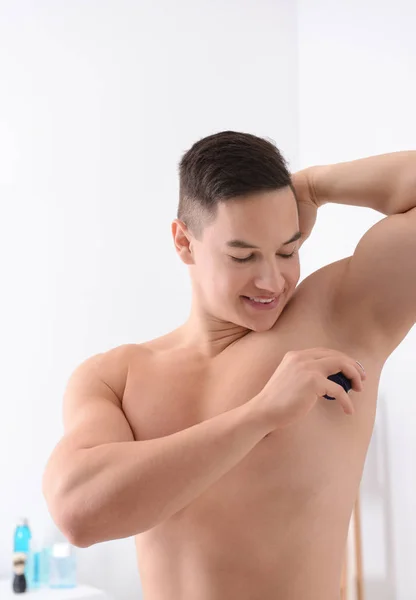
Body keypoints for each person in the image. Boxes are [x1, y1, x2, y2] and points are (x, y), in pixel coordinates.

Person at [43, 131, 416, 600]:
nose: (272, 280)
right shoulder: (117, 376)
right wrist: (260, 415)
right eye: (243, 256)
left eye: (287, 251)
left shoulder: (339, 318)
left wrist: (311, 186)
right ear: (184, 242)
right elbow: (78, 511)